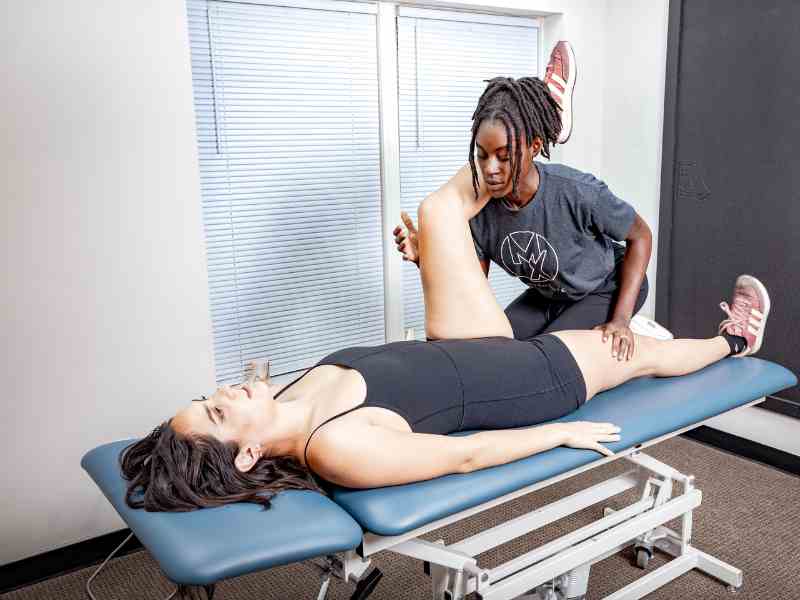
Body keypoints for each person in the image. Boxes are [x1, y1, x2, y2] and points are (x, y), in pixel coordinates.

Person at [121, 179, 769, 512]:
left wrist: (249, 393)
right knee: (643, 354)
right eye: (216, 411)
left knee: (442, 222)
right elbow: (465, 457)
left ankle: (534, 132)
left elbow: (397, 374)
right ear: (248, 455)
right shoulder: (337, 446)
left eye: (208, 396)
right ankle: (733, 339)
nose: (223, 392)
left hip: (474, 347)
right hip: (534, 378)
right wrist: (560, 435)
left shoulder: (287, 394)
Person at [394, 71, 652, 361]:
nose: (491, 168)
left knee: (543, 358)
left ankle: (643, 336)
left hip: (606, 286)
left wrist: (621, 320)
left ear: (535, 147)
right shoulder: (479, 213)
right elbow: (470, 299)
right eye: (482, 155)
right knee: (495, 350)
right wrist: (429, 259)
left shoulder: (578, 192)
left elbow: (641, 236)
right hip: (551, 296)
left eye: (504, 156)